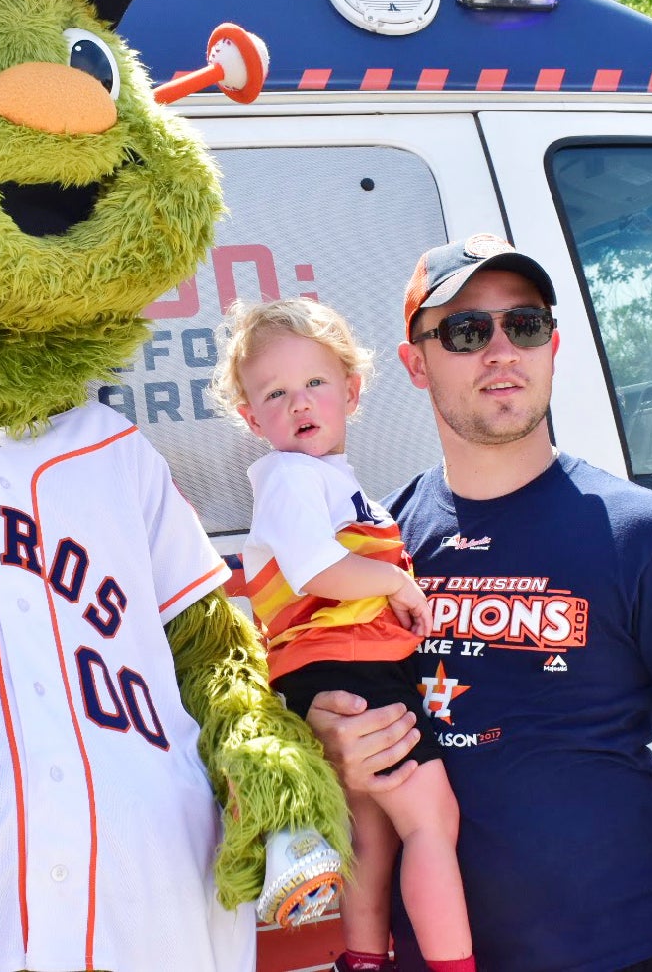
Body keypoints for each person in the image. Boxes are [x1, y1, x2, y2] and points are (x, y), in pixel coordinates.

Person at [306, 234, 652, 972]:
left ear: (552, 345)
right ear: (415, 363)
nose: (500, 350)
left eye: (523, 324)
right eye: (465, 330)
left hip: (631, 954)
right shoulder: (375, 549)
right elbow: (335, 716)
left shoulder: (647, 533)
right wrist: (330, 740)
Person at [210, 299, 475, 972]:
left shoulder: (328, 479)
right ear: (251, 416)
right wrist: (397, 584)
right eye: (275, 392)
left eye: (315, 383)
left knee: (375, 834)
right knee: (432, 820)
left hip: (342, 670)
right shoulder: (292, 477)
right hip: (350, 668)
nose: (299, 402)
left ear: (351, 391)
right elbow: (317, 569)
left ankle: (363, 958)